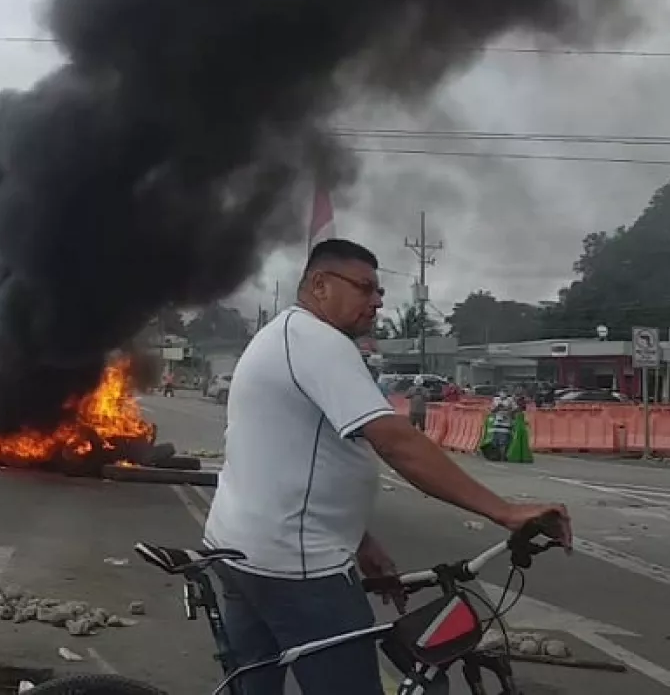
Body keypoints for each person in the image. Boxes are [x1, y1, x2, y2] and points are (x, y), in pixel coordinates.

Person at [204, 239, 569, 695]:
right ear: (320, 284)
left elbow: (282, 460)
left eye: (379, 291)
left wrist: (360, 539)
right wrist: (505, 511)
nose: (377, 301)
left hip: (241, 552)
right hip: (295, 569)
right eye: (365, 288)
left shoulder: (283, 336)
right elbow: (398, 443)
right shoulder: (316, 342)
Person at [487, 389, 518, 462]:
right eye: (502, 392)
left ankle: (503, 457)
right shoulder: (495, 399)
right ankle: (497, 456)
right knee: (495, 442)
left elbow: (516, 409)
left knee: (503, 442)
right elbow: (491, 410)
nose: (503, 393)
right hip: (497, 424)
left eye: (505, 392)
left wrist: (509, 411)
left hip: (506, 423)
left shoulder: (510, 400)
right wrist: (498, 408)